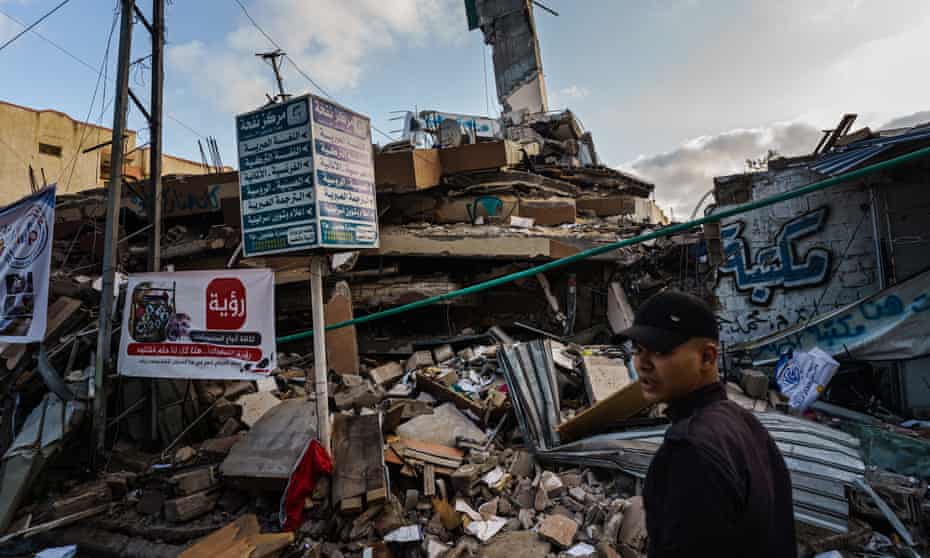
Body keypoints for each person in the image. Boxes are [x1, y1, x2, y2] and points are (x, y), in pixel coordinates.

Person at [617, 291, 797, 558]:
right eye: (638, 349)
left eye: (661, 350)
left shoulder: (690, 449)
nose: (643, 364)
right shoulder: (743, 422)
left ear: (708, 357)